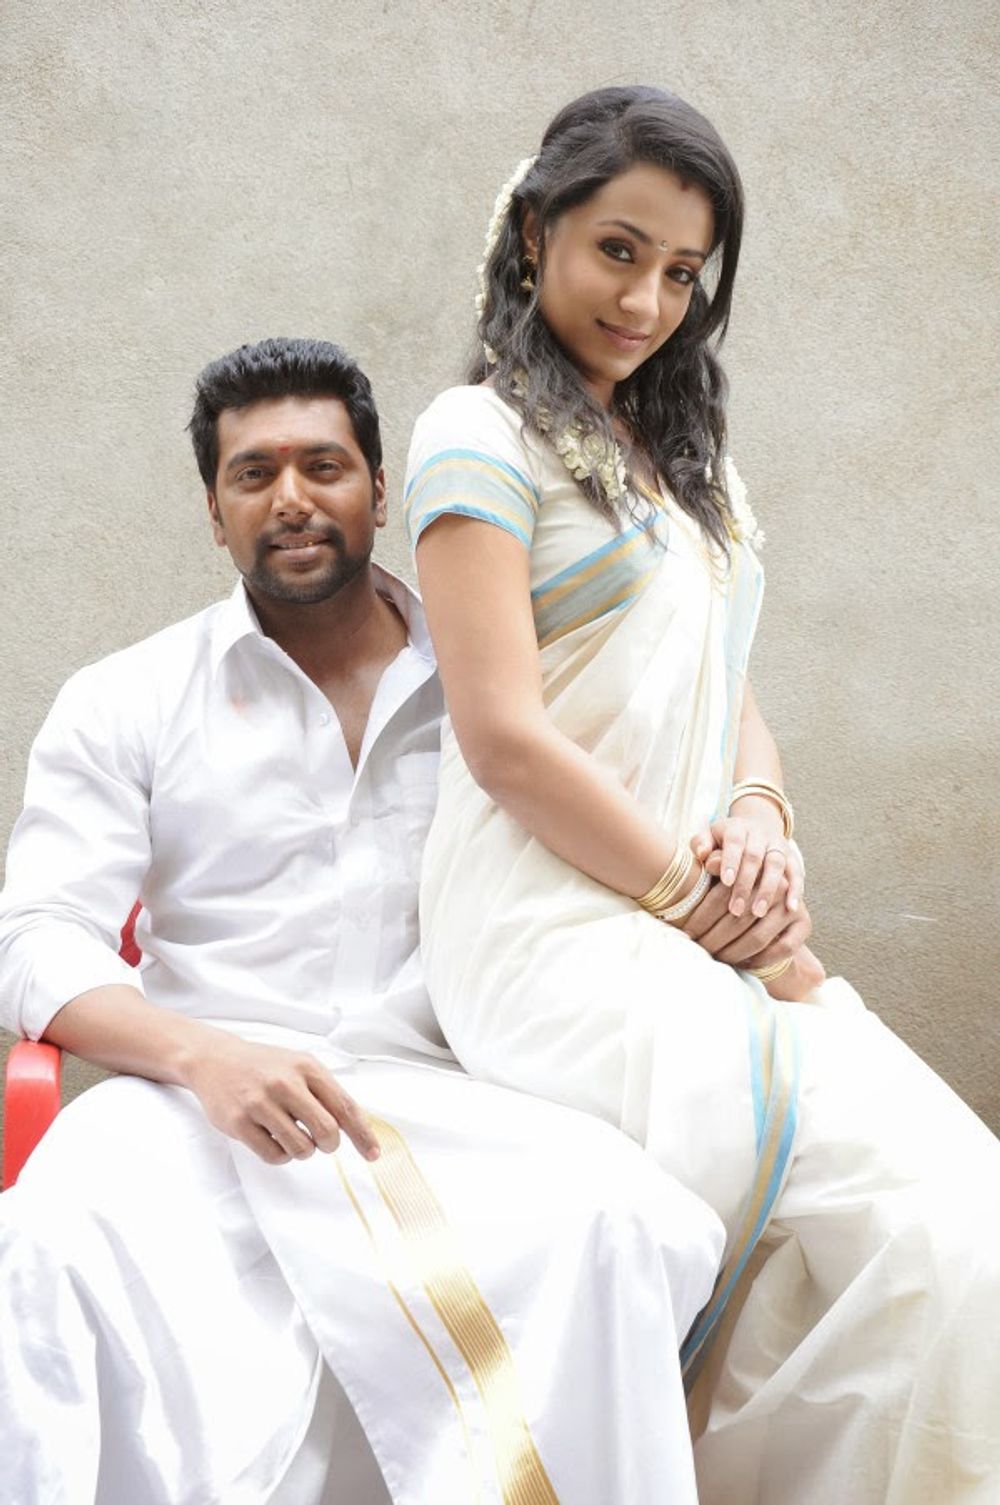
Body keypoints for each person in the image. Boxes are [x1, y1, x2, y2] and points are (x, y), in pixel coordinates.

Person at [0, 337, 727, 1505]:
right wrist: (205, 1055)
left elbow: (696, 709)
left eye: (324, 465)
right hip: (190, 1106)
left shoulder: (496, 684)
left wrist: (756, 813)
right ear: (214, 511)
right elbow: (37, 932)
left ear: (382, 490)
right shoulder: (126, 696)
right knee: (42, 1245)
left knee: (629, 1219)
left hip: (446, 1095)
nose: (291, 496)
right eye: (253, 473)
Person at [405, 86, 1000, 1504]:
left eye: (683, 272)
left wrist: (763, 821)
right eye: (618, 251)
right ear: (535, 231)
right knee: (923, 1221)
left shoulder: (688, 470)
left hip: (688, 924)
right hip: (550, 931)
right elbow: (503, 738)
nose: (647, 301)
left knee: (955, 1223)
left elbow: (729, 696)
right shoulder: (475, 434)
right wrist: (700, 902)